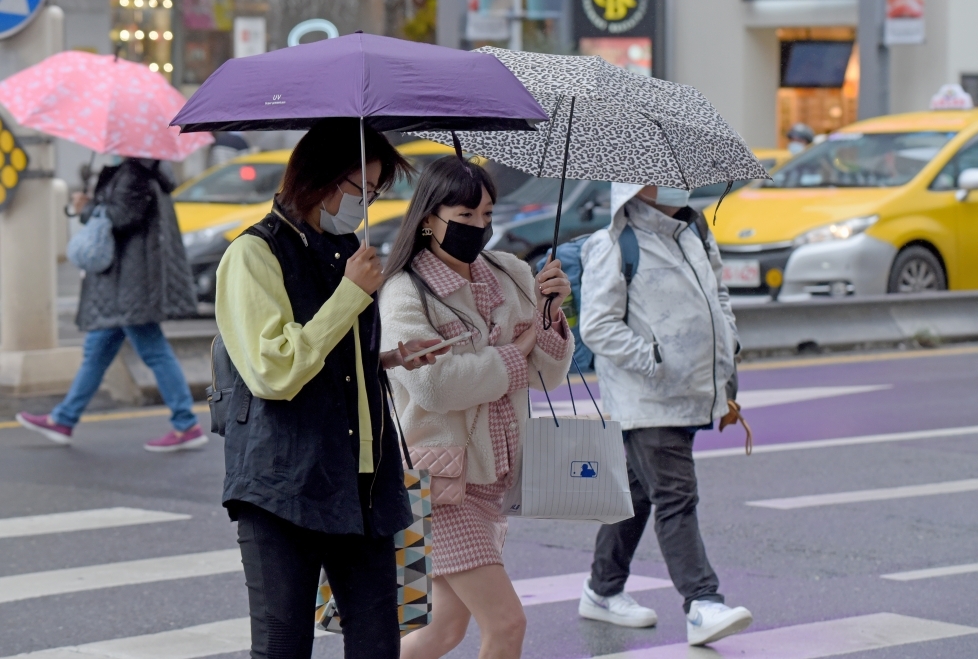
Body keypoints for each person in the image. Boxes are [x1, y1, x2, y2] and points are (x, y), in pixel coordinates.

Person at [214, 119, 447, 659]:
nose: (364, 204)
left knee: (377, 644)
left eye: (375, 192)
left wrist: (387, 358)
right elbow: (274, 369)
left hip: (362, 478)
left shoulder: (346, 249)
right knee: (282, 646)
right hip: (283, 482)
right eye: (357, 189)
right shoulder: (254, 254)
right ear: (315, 178)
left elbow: (335, 362)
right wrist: (349, 295)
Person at [379, 156, 574, 659]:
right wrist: (515, 351)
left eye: (486, 216)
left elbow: (544, 376)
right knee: (507, 624)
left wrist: (551, 318)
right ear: (428, 217)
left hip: (494, 480)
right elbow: (435, 387)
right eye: (463, 217)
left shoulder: (510, 274)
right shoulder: (405, 292)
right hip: (443, 486)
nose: (478, 227)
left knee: (443, 631)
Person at [577, 183, 753, 646]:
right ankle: (703, 602)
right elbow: (597, 325)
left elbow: (719, 298)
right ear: (640, 186)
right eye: (664, 174)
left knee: (637, 495)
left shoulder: (693, 232)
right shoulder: (614, 243)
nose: (681, 182)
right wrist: (651, 359)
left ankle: (601, 589)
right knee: (676, 494)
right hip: (645, 397)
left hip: (691, 389)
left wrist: (728, 345)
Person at [17, 158, 203, 452]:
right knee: (97, 351)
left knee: (153, 350)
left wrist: (87, 208)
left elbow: (122, 216)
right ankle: (64, 419)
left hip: (131, 282)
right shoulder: (142, 170)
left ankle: (186, 424)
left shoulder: (135, 172)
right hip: (126, 281)